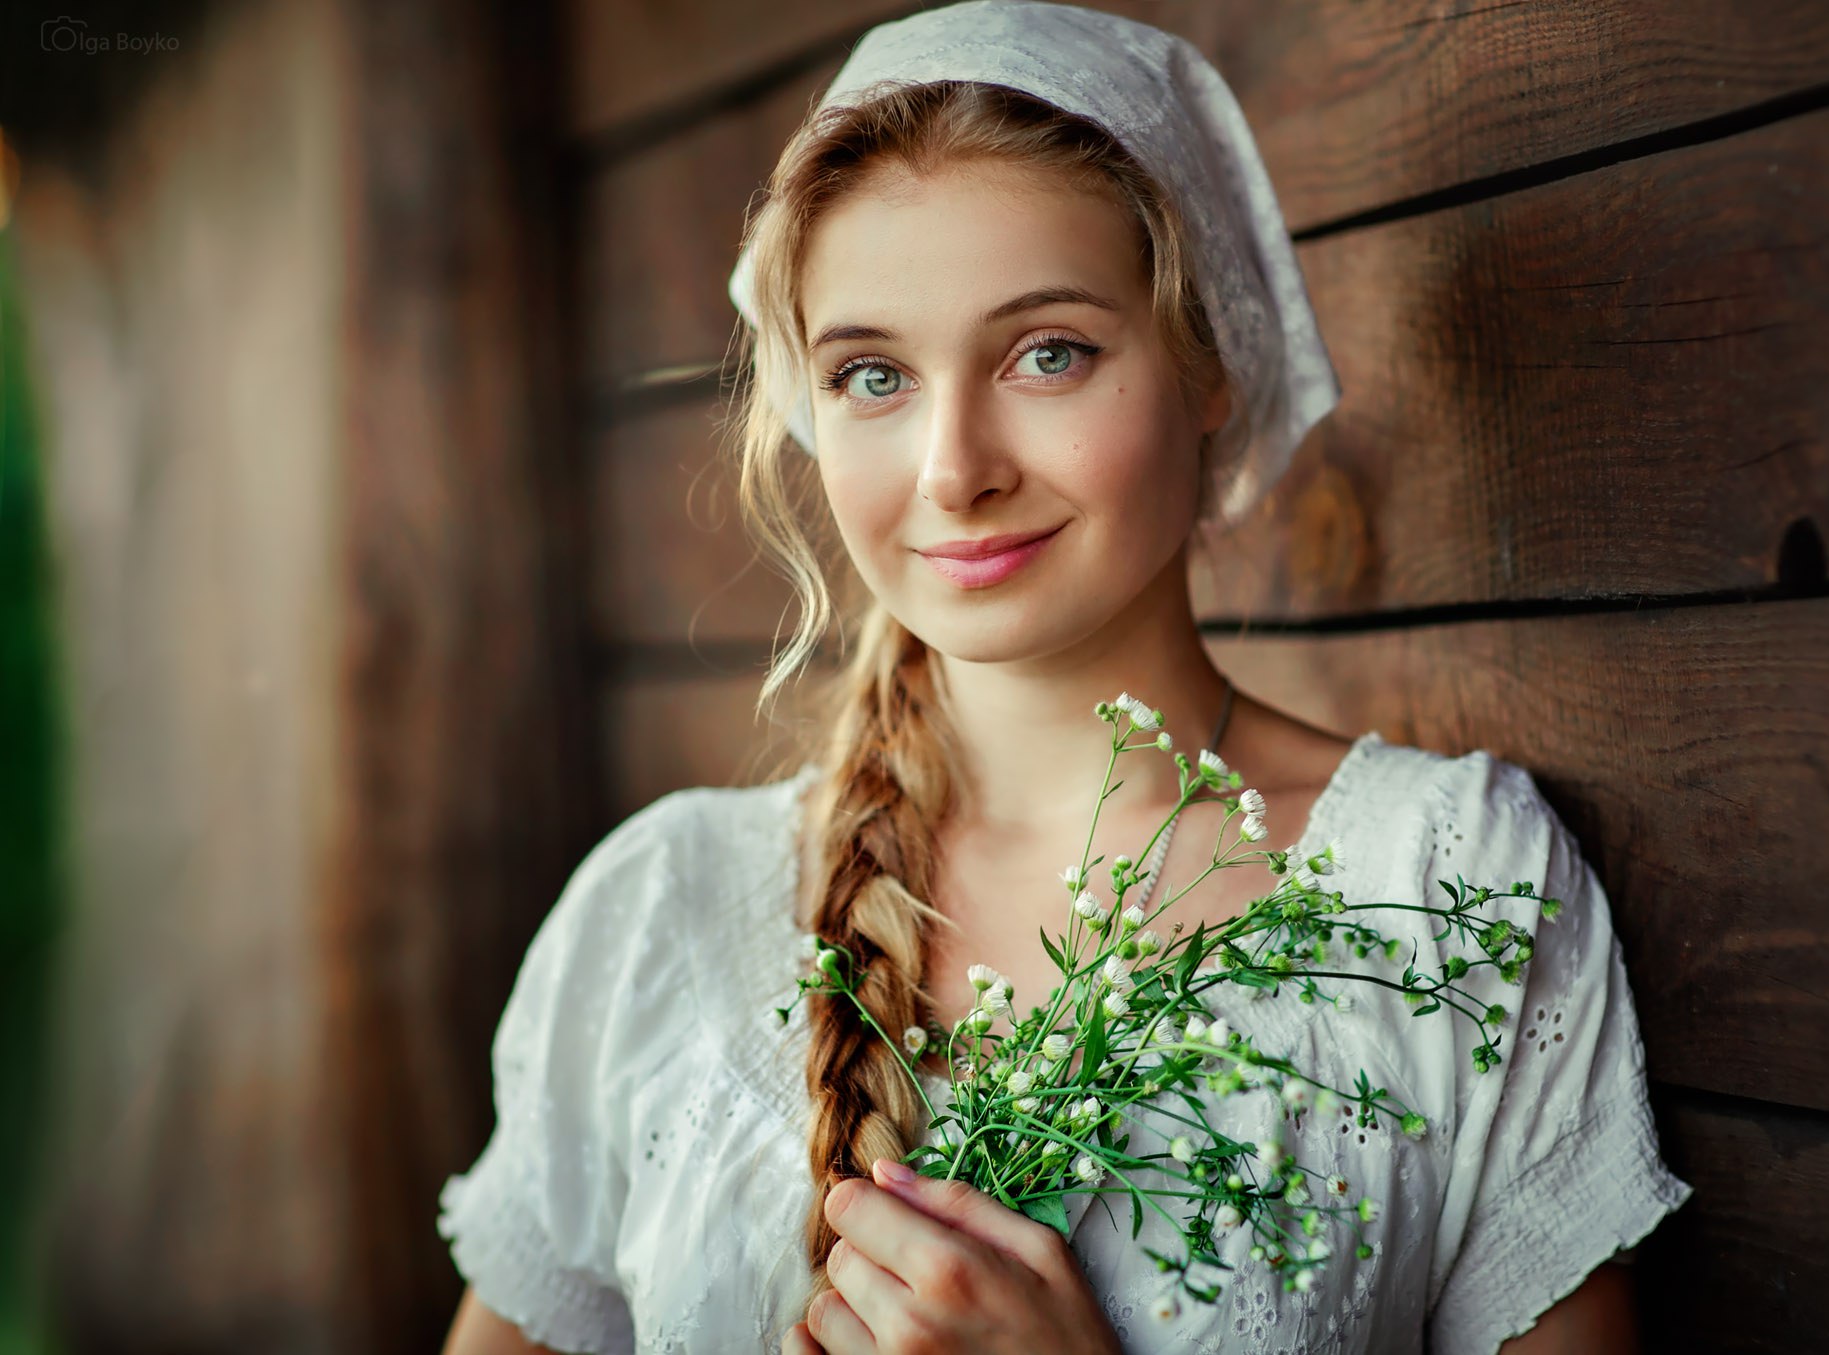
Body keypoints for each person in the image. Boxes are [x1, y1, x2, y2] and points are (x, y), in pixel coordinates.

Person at [435, 4, 1693, 1352]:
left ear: (1206, 359)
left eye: (1049, 353)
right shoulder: (661, 917)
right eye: (872, 374)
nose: (953, 468)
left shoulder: (1444, 889)